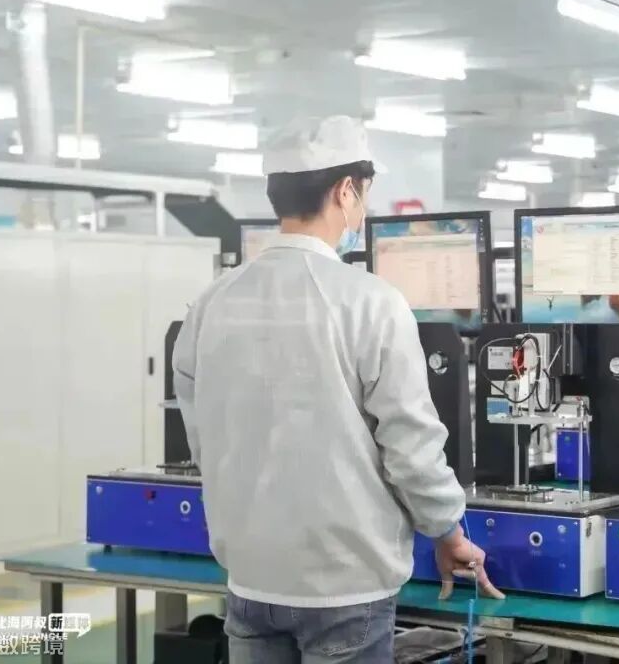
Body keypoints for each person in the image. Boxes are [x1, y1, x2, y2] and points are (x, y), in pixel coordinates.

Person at [173, 115, 502, 664]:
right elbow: (410, 446)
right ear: (346, 191)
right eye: (365, 194)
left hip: (250, 580)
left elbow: (203, 438)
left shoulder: (212, 303)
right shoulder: (371, 301)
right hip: (345, 589)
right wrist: (447, 530)